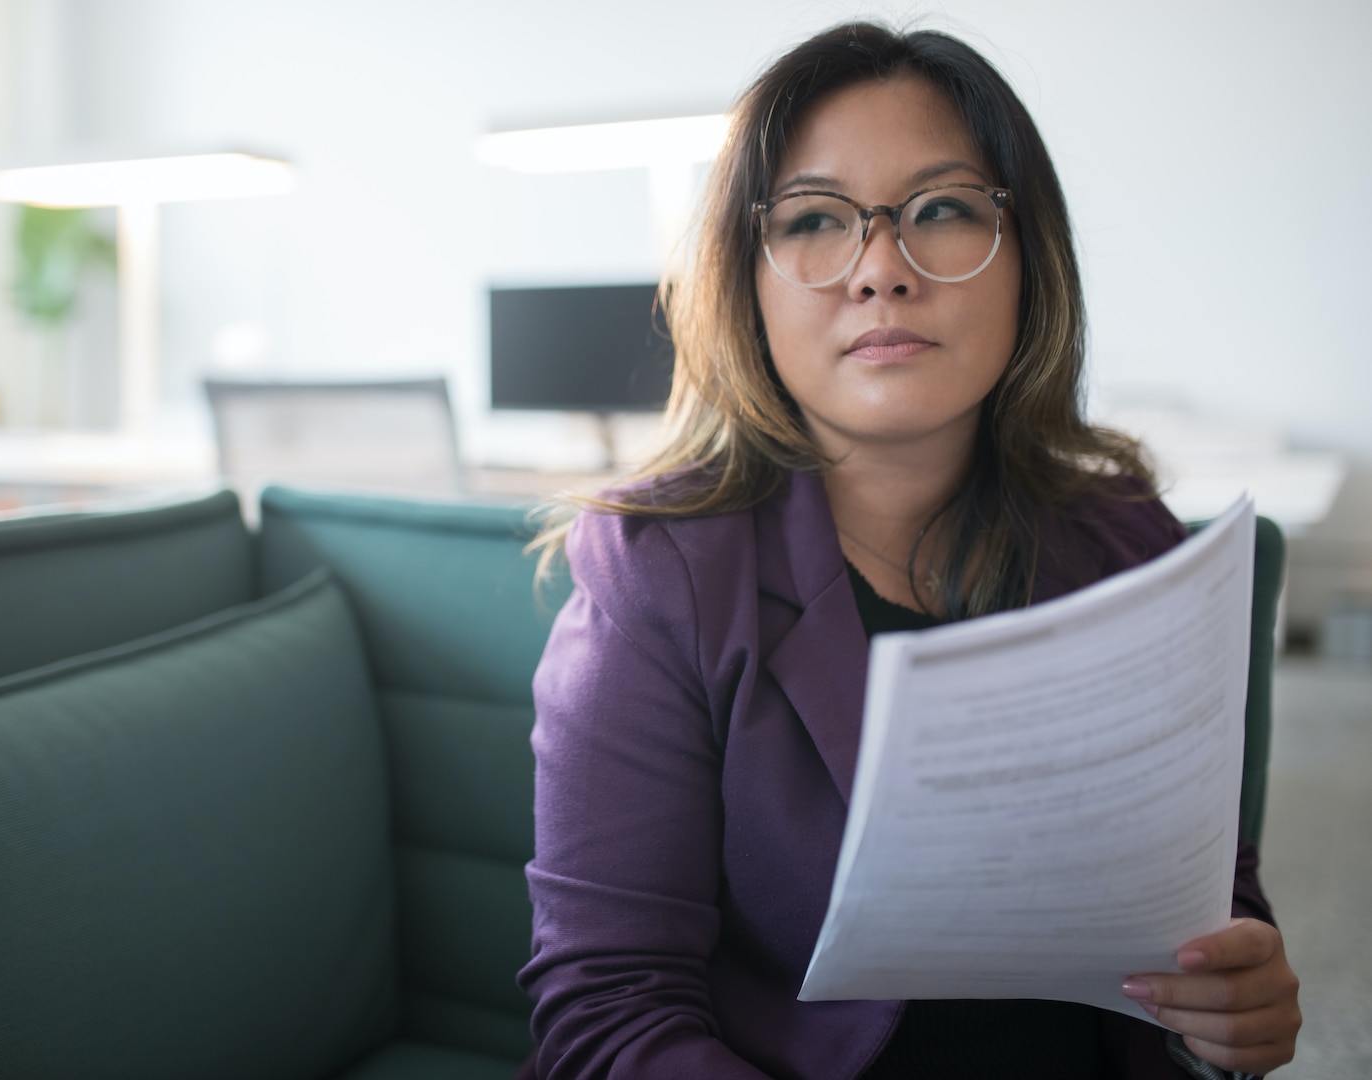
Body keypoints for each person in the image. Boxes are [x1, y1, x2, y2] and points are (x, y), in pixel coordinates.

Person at [517, 21, 1301, 1080]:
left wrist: (1232, 995)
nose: (880, 270)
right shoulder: (658, 574)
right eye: (812, 220)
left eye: (940, 210)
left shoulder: (1127, 538)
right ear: (744, 281)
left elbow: (1206, 896)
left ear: (1029, 258)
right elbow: (607, 1015)